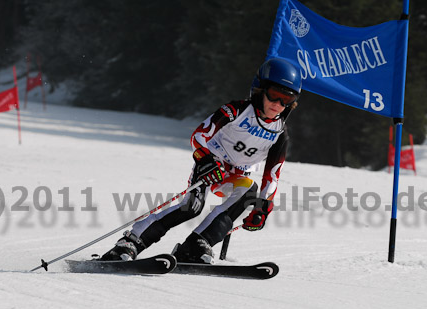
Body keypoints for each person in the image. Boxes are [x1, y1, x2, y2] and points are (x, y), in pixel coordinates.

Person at [101, 58, 301, 263]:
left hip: (237, 175)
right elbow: (199, 136)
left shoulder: (280, 134)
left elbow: (273, 175)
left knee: (249, 191)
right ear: (260, 90)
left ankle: (195, 245)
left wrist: (263, 207)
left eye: (286, 99)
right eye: (274, 95)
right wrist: (205, 159)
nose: (278, 104)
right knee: (191, 206)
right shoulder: (236, 110)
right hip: (212, 164)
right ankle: (132, 241)